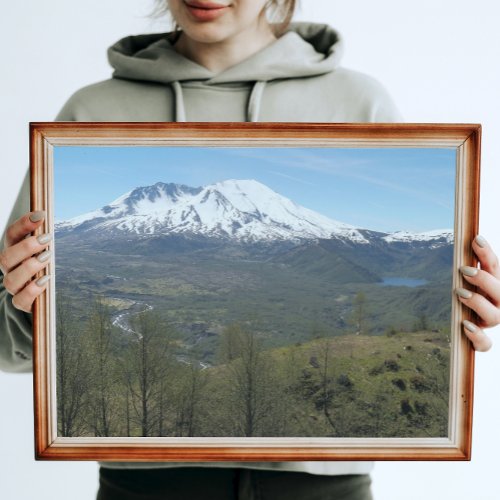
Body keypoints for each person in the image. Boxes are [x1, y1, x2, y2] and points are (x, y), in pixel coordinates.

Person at [1, 0, 499, 498]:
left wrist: (462, 324)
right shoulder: (89, 113)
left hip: (322, 485)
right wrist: (27, 309)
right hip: (145, 484)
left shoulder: (357, 101)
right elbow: (8, 349)